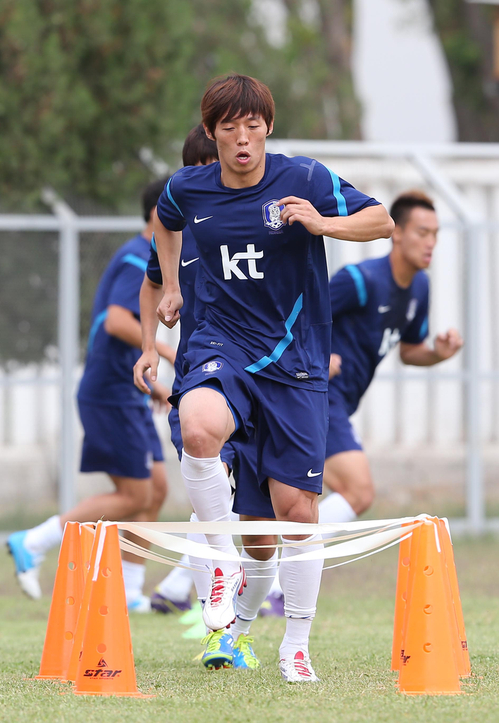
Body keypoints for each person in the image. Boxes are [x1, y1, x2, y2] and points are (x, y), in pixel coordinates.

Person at [149, 73, 394, 682]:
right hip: (221, 347)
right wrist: (174, 284)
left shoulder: (303, 178)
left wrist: (323, 224)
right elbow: (163, 219)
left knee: (292, 516)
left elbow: (382, 221)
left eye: (251, 127)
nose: (241, 139)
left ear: (267, 130)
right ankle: (218, 562)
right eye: (228, 128)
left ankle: (296, 644)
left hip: (296, 363)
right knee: (198, 428)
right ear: (212, 133)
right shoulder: (190, 187)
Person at [134, 124, 279, 671]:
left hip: (265, 383)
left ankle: (240, 624)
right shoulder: (176, 234)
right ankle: (218, 615)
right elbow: (152, 286)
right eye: (192, 176)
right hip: (203, 379)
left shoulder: (258, 224)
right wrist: (151, 346)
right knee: (205, 492)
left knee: (263, 535)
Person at [7, 180, 176, 611]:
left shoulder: (153, 255)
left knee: (155, 488)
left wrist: (153, 383)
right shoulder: (138, 258)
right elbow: (117, 321)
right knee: (136, 494)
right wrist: (166, 349)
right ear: (160, 212)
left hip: (129, 390)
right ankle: (36, 539)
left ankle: (131, 591)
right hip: (109, 394)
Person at [318, 190, 464, 526]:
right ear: (396, 231)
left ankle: (232, 575)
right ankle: (284, 571)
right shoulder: (360, 279)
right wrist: (315, 358)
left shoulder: (419, 288)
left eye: (435, 234)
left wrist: (438, 355)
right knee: (357, 491)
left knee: (282, 500)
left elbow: (410, 351)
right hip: (319, 396)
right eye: (422, 232)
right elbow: (298, 320)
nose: (431, 243)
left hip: (340, 402)